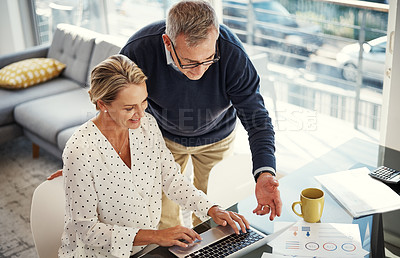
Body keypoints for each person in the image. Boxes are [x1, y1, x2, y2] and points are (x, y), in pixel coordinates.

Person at [58, 54, 250, 257]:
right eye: (129, 108)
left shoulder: (146, 125)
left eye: (143, 101)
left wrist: (212, 208)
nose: (140, 114)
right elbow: (86, 229)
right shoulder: (80, 151)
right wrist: (155, 236)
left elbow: (172, 179)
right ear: (103, 104)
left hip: (146, 249)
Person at [119, 0, 282, 229]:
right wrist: (91, 156)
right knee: (164, 218)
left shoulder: (232, 54)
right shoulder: (138, 51)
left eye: (208, 59)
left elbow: (258, 121)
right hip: (162, 139)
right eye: (188, 61)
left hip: (217, 138)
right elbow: (114, 105)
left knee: (216, 215)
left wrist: (264, 172)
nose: (199, 71)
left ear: (215, 37)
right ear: (168, 42)